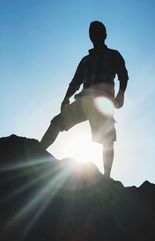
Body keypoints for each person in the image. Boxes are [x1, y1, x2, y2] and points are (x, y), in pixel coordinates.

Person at [40, 21, 129, 178]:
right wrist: (65, 98)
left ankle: (107, 177)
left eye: (98, 31)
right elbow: (75, 82)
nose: (94, 35)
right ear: (90, 36)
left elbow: (123, 75)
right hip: (84, 100)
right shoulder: (85, 60)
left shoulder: (113, 55)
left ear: (105, 35)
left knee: (107, 140)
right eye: (92, 32)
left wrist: (121, 94)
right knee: (57, 122)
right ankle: (38, 151)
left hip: (103, 102)